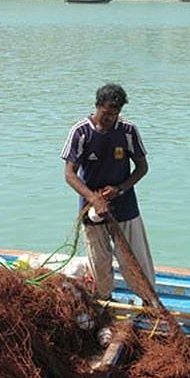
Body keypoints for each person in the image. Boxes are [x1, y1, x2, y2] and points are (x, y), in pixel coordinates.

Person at [61, 83, 155, 299]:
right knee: (99, 261)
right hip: (92, 210)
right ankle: (105, 299)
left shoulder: (128, 131)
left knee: (134, 258)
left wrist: (120, 189)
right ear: (97, 106)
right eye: (106, 114)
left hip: (124, 206)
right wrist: (94, 199)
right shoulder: (81, 132)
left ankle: (148, 300)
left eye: (115, 114)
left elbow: (142, 167)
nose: (110, 119)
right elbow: (69, 174)